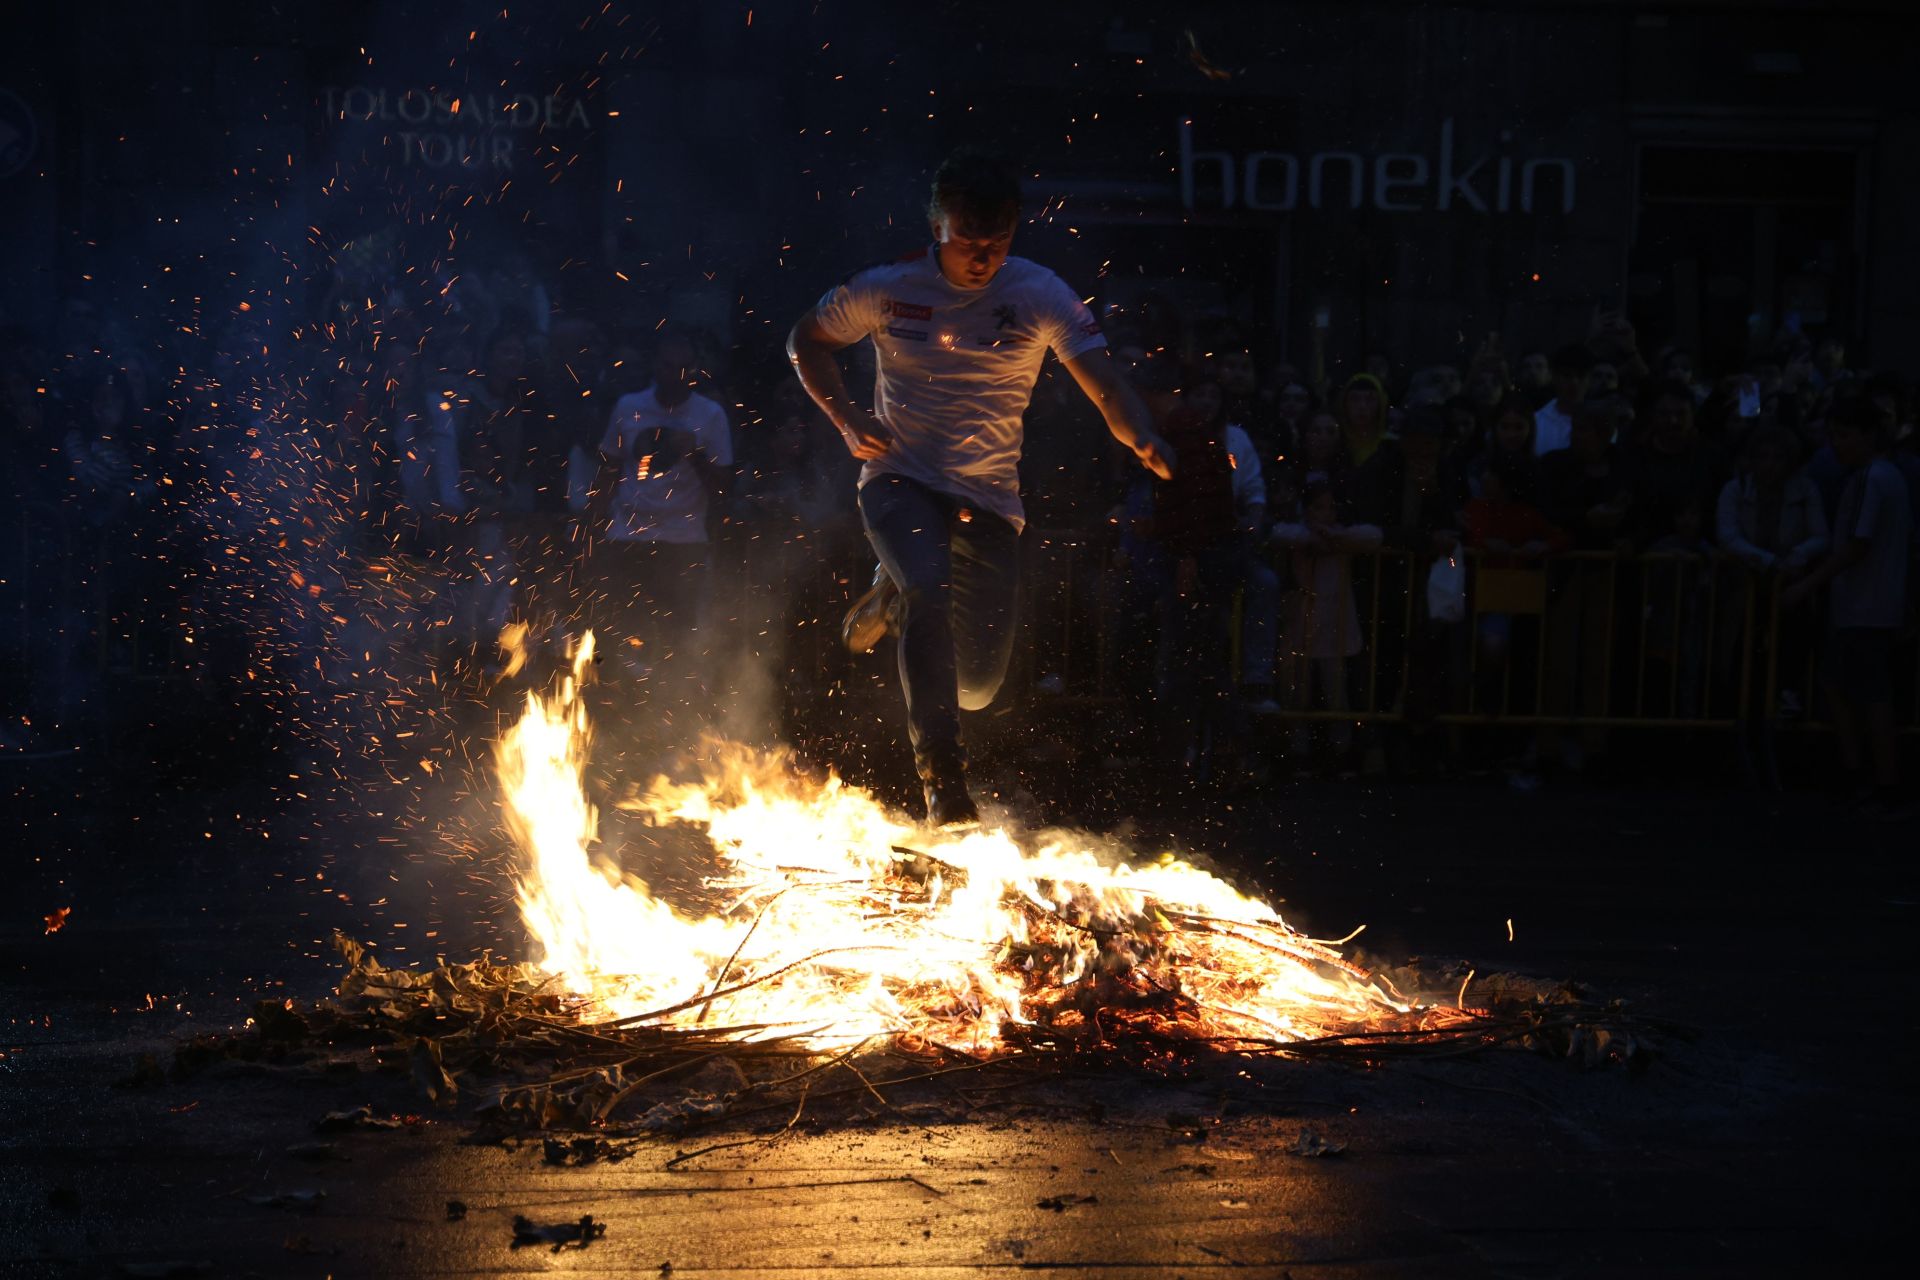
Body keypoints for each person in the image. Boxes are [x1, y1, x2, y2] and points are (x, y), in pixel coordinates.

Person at [785, 146, 1174, 826]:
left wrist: (1143, 436)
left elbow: (1104, 384)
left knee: (977, 686)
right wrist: (847, 419)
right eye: (968, 240)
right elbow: (804, 339)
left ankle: (892, 591)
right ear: (937, 224)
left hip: (990, 499)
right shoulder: (888, 285)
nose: (982, 257)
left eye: (996, 242)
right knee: (929, 592)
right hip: (900, 479)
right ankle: (943, 784)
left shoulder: (1040, 292)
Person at [1781, 396, 1911, 818]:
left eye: (1844, 435)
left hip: (1866, 605)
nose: (1837, 444)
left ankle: (1881, 783)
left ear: (1867, 436)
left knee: (1870, 695)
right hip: (1868, 602)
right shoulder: (1881, 476)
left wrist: (1808, 584)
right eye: (1833, 435)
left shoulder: (1871, 479)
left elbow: (1857, 543)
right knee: (1844, 685)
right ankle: (1862, 774)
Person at [588, 328, 733, 678]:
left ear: (695, 370)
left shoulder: (710, 415)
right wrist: (591, 528)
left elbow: (724, 487)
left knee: (677, 635)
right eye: (668, 367)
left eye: (683, 368)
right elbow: (608, 469)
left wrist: (695, 452)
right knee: (616, 627)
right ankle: (607, 701)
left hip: (683, 542)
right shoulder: (630, 407)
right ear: (655, 366)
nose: (675, 376)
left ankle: (671, 711)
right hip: (628, 537)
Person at [1532, 343, 1594, 456]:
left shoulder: (1600, 424)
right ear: (1554, 377)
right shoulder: (1535, 422)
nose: (1574, 383)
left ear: (1589, 380)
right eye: (1567, 375)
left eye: (1581, 376)